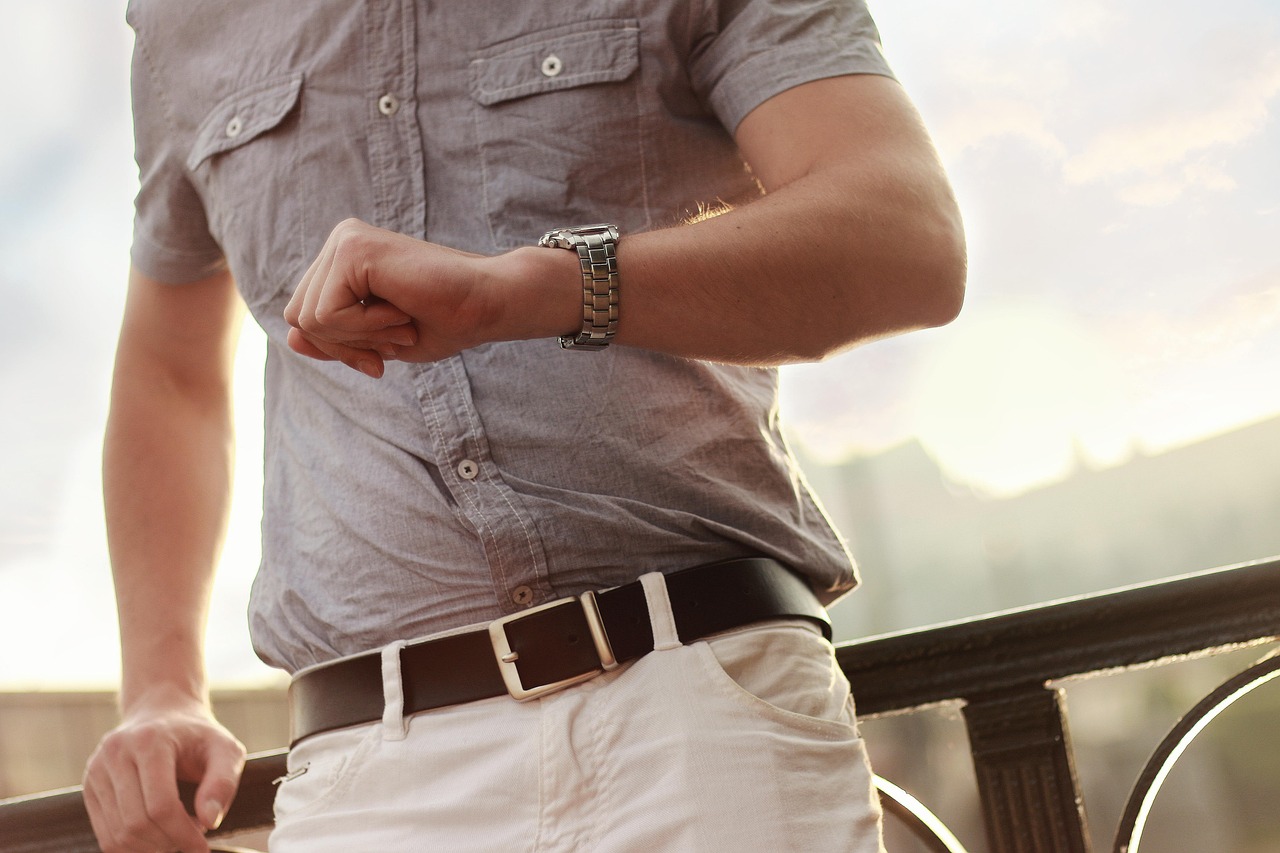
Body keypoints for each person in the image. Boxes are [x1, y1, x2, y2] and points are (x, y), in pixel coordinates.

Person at [84, 0, 965, 850]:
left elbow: (904, 235)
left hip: (701, 718)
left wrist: (535, 289)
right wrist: (160, 689)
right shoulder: (178, 20)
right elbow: (171, 371)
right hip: (371, 779)